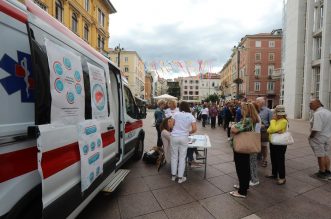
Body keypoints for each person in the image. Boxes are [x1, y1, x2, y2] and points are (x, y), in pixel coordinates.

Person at [230, 102, 260, 198]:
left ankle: (242, 191)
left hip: (241, 147)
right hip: (246, 146)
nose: (241, 111)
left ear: (247, 110)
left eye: (242, 109)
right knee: (245, 167)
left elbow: (234, 129)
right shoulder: (252, 119)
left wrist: (233, 126)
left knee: (241, 168)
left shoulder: (247, 120)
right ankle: (244, 186)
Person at [171, 101, 197, 183]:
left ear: (180, 107)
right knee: (182, 157)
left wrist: (175, 129)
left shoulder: (176, 114)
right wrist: (188, 132)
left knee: (174, 156)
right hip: (184, 137)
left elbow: (171, 125)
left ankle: (173, 176)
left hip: (174, 136)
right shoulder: (191, 116)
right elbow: (194, 129)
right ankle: (180, 178)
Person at [308, 99, 331, 180]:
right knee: (325, 154)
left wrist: (311, 136)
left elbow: (316, 128)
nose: (309, 105)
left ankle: (322, 172)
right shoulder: (328, 112)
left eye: (311, 103)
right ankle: (328, 171)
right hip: (327, 137)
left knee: (320, 155)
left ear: (318, 104)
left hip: (318, 138)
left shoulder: (318, 113)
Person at [266, 105, 288, 185]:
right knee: (273, 158)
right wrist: (273, 129)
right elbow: (269, 130)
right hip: (273, 142)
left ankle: (282, 177)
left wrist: (272, 121)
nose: (277, 114)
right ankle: (274, 174)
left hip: (280, 143)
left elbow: (273, 129)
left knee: (280, 160)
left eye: (278, 113)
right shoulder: (277, 120)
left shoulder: (283, 121)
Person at [256, 97, 273, 167]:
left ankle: (265, 159)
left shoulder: (268, 111)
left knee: (264, 146)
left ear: (261, 103)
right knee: (257, 145)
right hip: (256, 131)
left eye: (257, 102)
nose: (256, 103)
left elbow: (271, 123)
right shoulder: (255, 110)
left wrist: (265, 126)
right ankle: (258, 157)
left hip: (264, 131)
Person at [249, 102, 262, 187]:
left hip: (253, 141)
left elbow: (256, 132)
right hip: (253, 141)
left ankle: (255, 180)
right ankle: (252, 178)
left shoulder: (255, 117)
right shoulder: (255, 117)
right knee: (251, 161)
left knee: (253, 161)